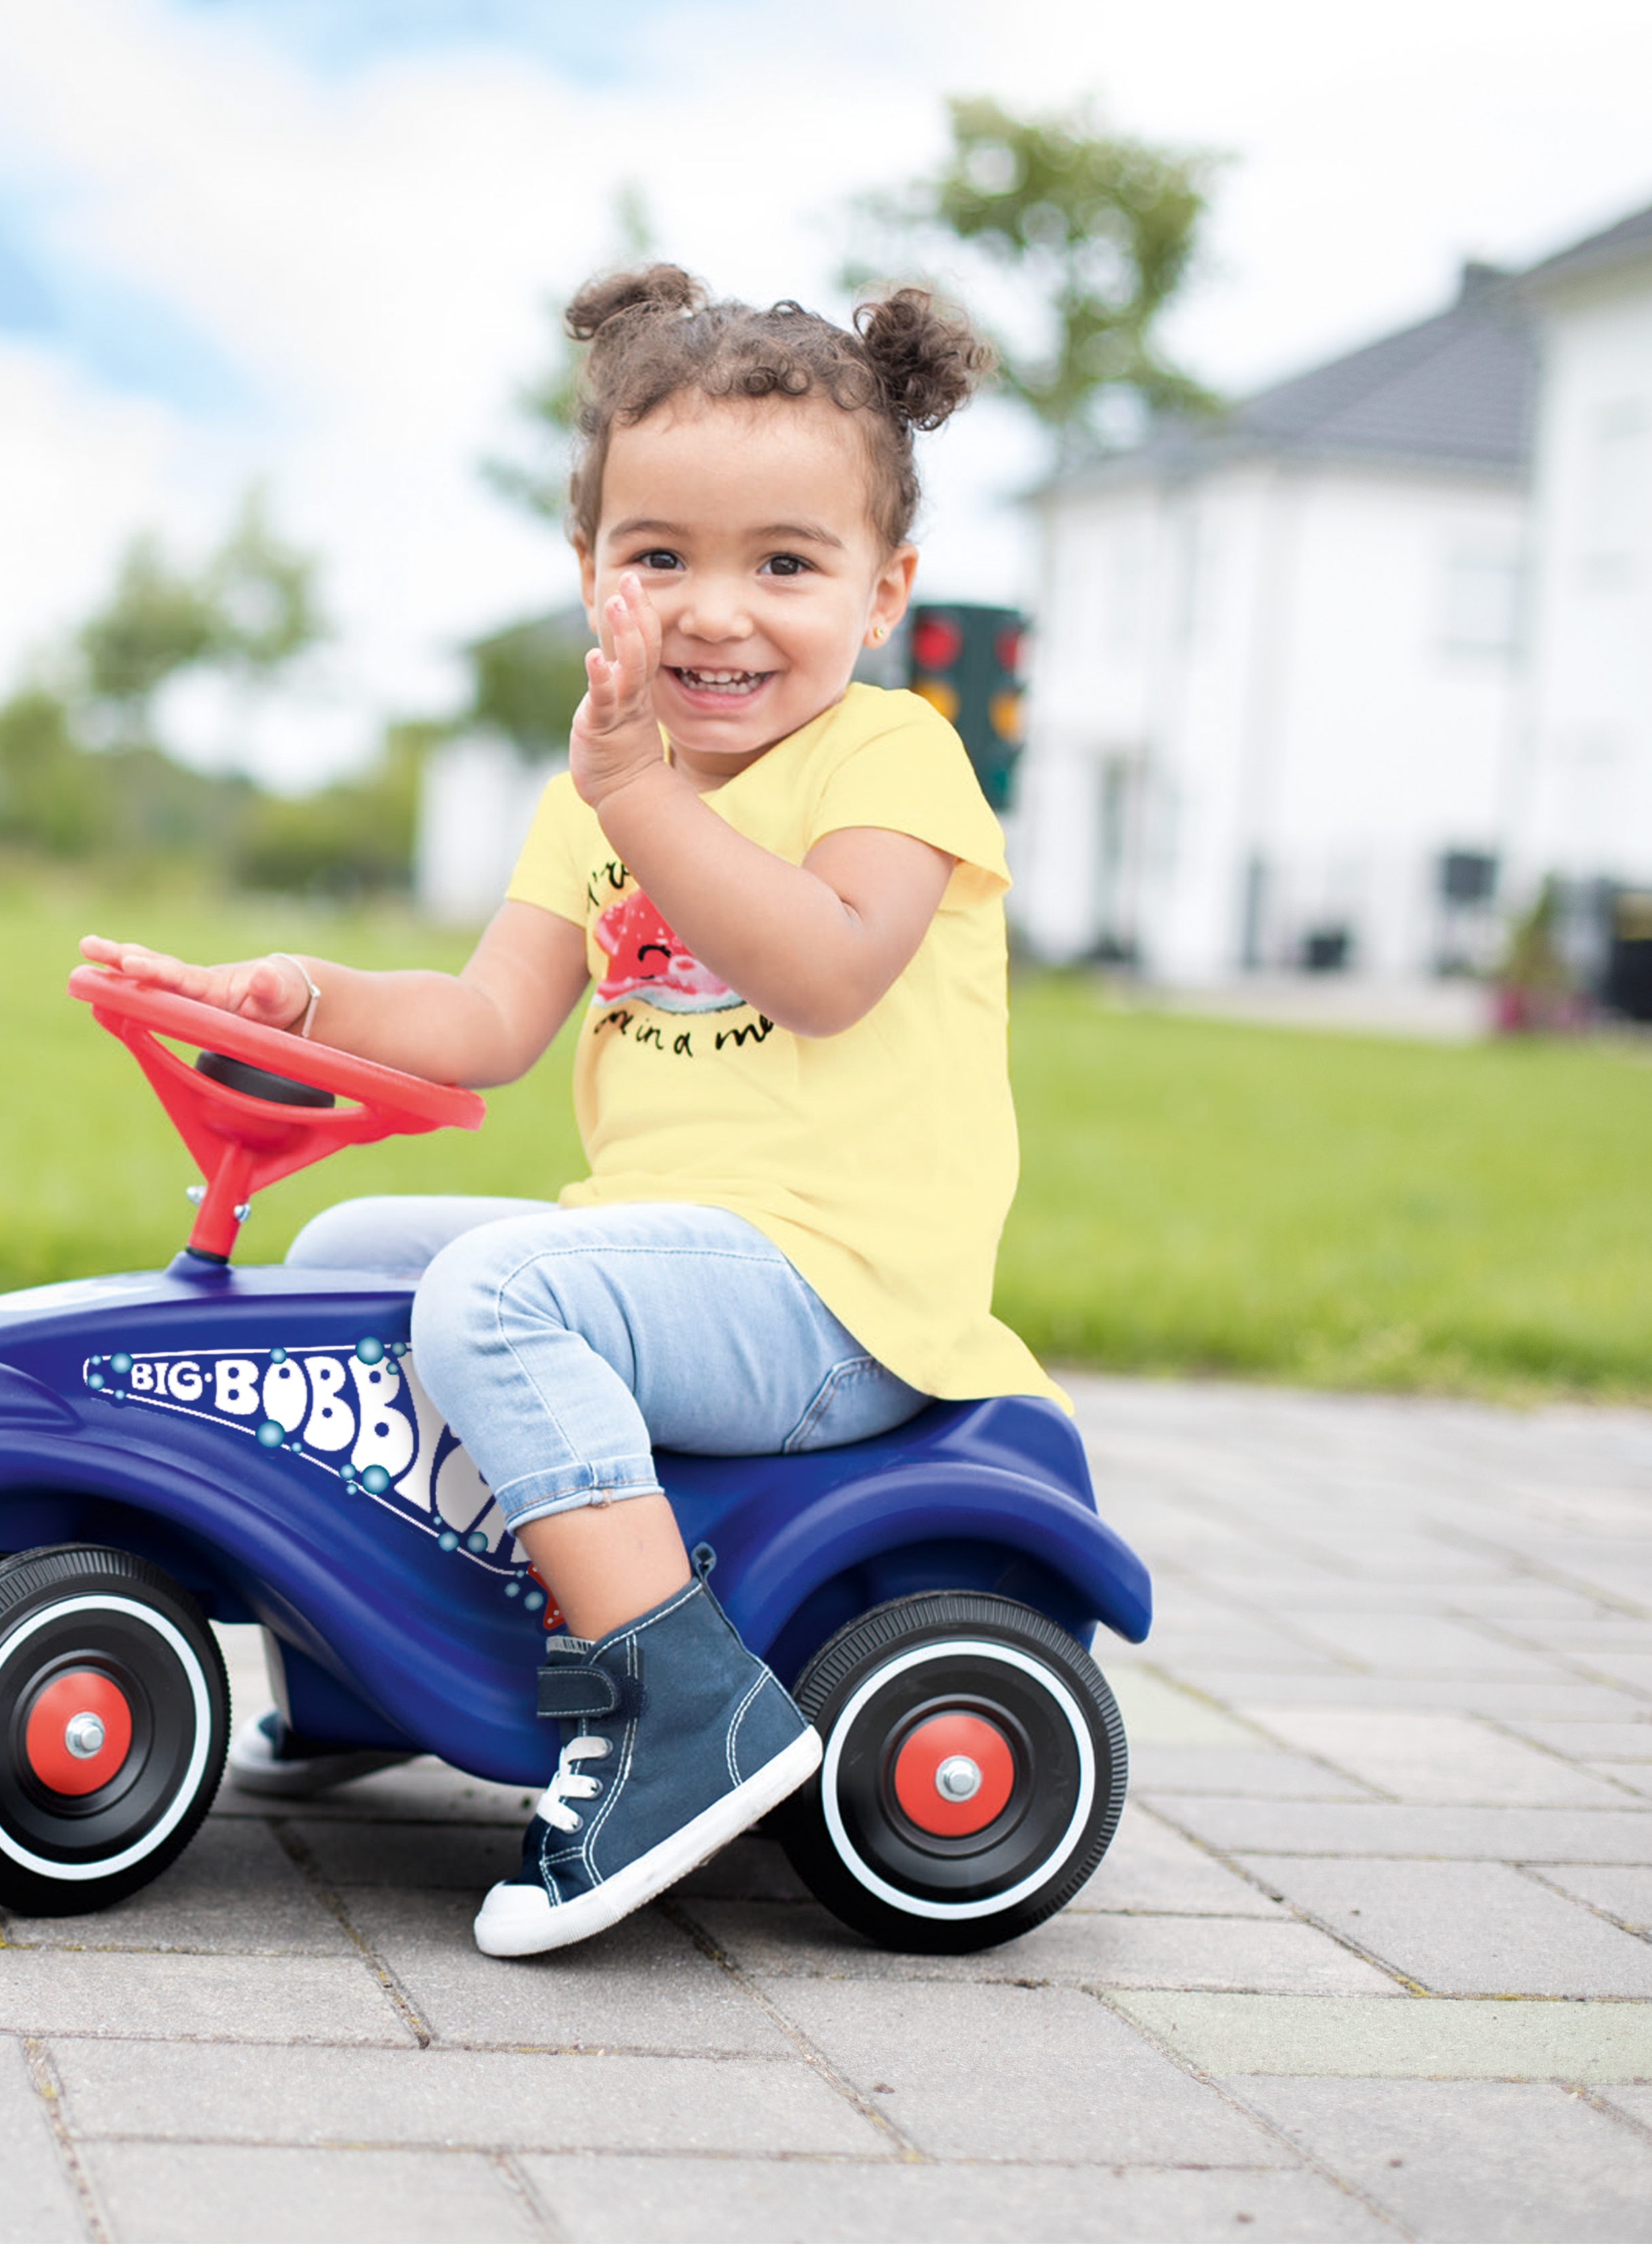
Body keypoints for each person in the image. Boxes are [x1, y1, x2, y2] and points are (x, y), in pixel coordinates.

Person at [78, 264, 1065, 1958]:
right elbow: (484, 1025)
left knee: (491, 1292)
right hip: (678, 1263)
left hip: (840, 1294)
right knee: (355, 1254)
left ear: (883, 588)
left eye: (785, 564)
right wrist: (309, 994)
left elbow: (828, 967)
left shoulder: (894, 762)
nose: (715, 610)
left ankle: (685, 1706)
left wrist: (639, 799)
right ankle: (377, 1649)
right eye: (659, 555)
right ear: (591, 572)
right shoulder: (592, 792)